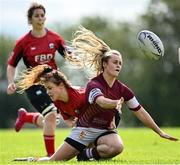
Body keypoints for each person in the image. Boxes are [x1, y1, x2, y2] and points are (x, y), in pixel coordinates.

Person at [14, 27, 178, 162]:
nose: (118, 65)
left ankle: (85, 155)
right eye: (115, 62)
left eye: (120, 63)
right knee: (55, 161)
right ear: (105, 64)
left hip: (103, 129)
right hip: (85, 129)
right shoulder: (94, 84)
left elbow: (140, 111)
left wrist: (159, 131)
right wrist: (114, 106)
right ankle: (31, 160)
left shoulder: (123, 89)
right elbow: (100, 101)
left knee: (117, 147)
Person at [6, 2, 77, 157]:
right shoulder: (23, 42)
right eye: (36, 16)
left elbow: (68, 54)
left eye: (42, 15)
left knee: (51, 121)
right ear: (30, 20)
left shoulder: (54, 38)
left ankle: (26, 117)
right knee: (51, 115)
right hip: (34, 85)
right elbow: (11, 65)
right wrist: (11, 81)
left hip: (54, 84)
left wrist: (75, 57)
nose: (40, 18)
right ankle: (52, 157)